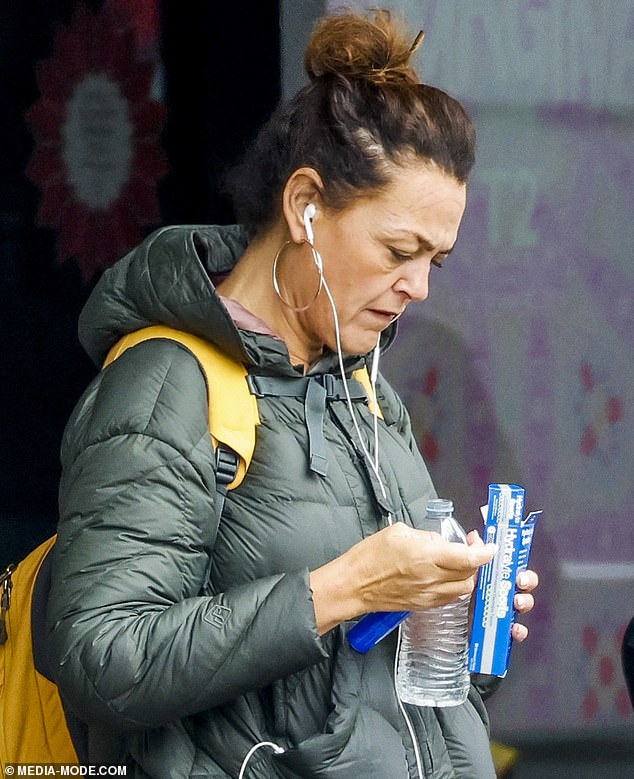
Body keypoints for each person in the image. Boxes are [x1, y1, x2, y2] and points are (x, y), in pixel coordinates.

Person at [46, 9, 538, 778]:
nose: (416, 287)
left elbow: (377, 697)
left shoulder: (364, 390)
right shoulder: (169, 383)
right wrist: (339, 589)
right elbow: (97, 654)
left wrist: (462, 620)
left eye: (435, 262)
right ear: (305, 205)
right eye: (399, 250)